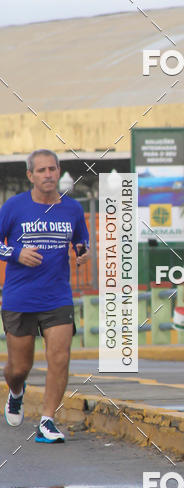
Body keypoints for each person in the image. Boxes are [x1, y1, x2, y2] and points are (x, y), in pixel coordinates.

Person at [0, 149, 90, 442]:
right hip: (19, 298)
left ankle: (48, 420)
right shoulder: (14, 207)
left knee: (60, 358)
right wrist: (16, 253)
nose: (48, 174)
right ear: (30, 176)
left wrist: (83, 253)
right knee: (19, 368)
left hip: (57, 296)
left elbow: (82, 241)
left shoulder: (73, 209)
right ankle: (16, 391)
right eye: (41, 170)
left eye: (52, 169)